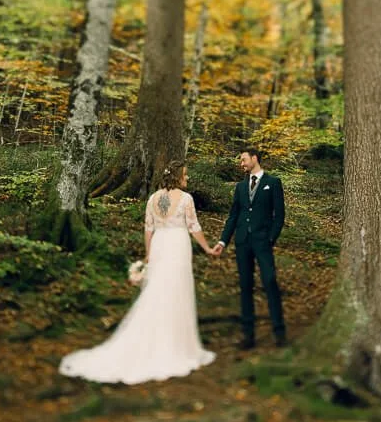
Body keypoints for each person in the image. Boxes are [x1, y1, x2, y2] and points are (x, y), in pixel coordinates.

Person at [58, 160, 221, 384]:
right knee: (176, 290)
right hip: (177, 245)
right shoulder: (185, 199)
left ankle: (157, 337)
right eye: (184, 174)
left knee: (158, 290)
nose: (187, 178)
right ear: (176, 176)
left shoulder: (153, 198)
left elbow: (148, 228)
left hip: (160, 244)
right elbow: (194, 227)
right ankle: (174, 344)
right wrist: (207, 248)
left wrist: (148, 254)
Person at [214, 147, 287, 349]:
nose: (242, 164)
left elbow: (279, 215)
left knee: (270, 281)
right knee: (246, 286)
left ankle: (279, 332)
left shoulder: (273, 183)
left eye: (244, 160)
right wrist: (223, 241)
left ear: (254, 159)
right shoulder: (240, 187)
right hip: (242, 241)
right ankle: (248, 336)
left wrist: (270, 238)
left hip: (263, 242)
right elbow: (233, 216)